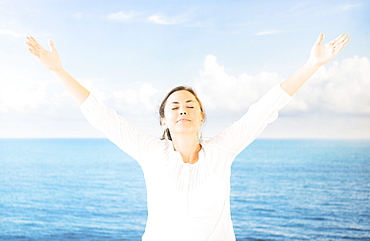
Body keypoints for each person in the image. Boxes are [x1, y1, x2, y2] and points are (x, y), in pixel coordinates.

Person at [25, 33, 350, 241]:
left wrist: (313, 64)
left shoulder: (222, 150)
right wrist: (57, 70)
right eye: (175, 106)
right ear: (164, 119)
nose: (183, 110)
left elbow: (265, 109)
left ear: (201, 116)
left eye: (190, 105)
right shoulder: (151, 153)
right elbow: (101, 115)